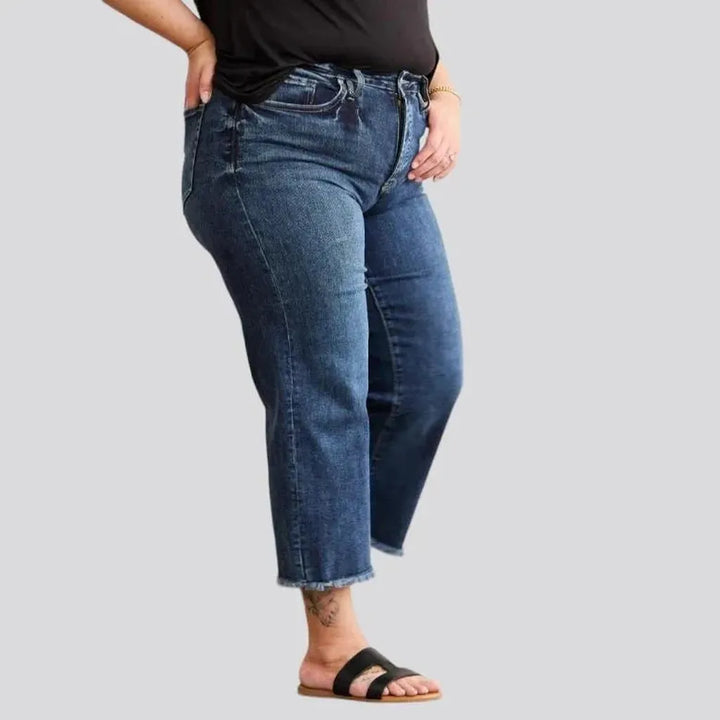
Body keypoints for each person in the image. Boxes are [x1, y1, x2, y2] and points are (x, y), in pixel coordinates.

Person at [102, 0, 463, 703]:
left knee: (427, 373)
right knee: (324, 385)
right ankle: (331, 646)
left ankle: (330, 532)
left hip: (397, 134)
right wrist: (195, 37)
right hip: (276, 129)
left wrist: (444, 88)